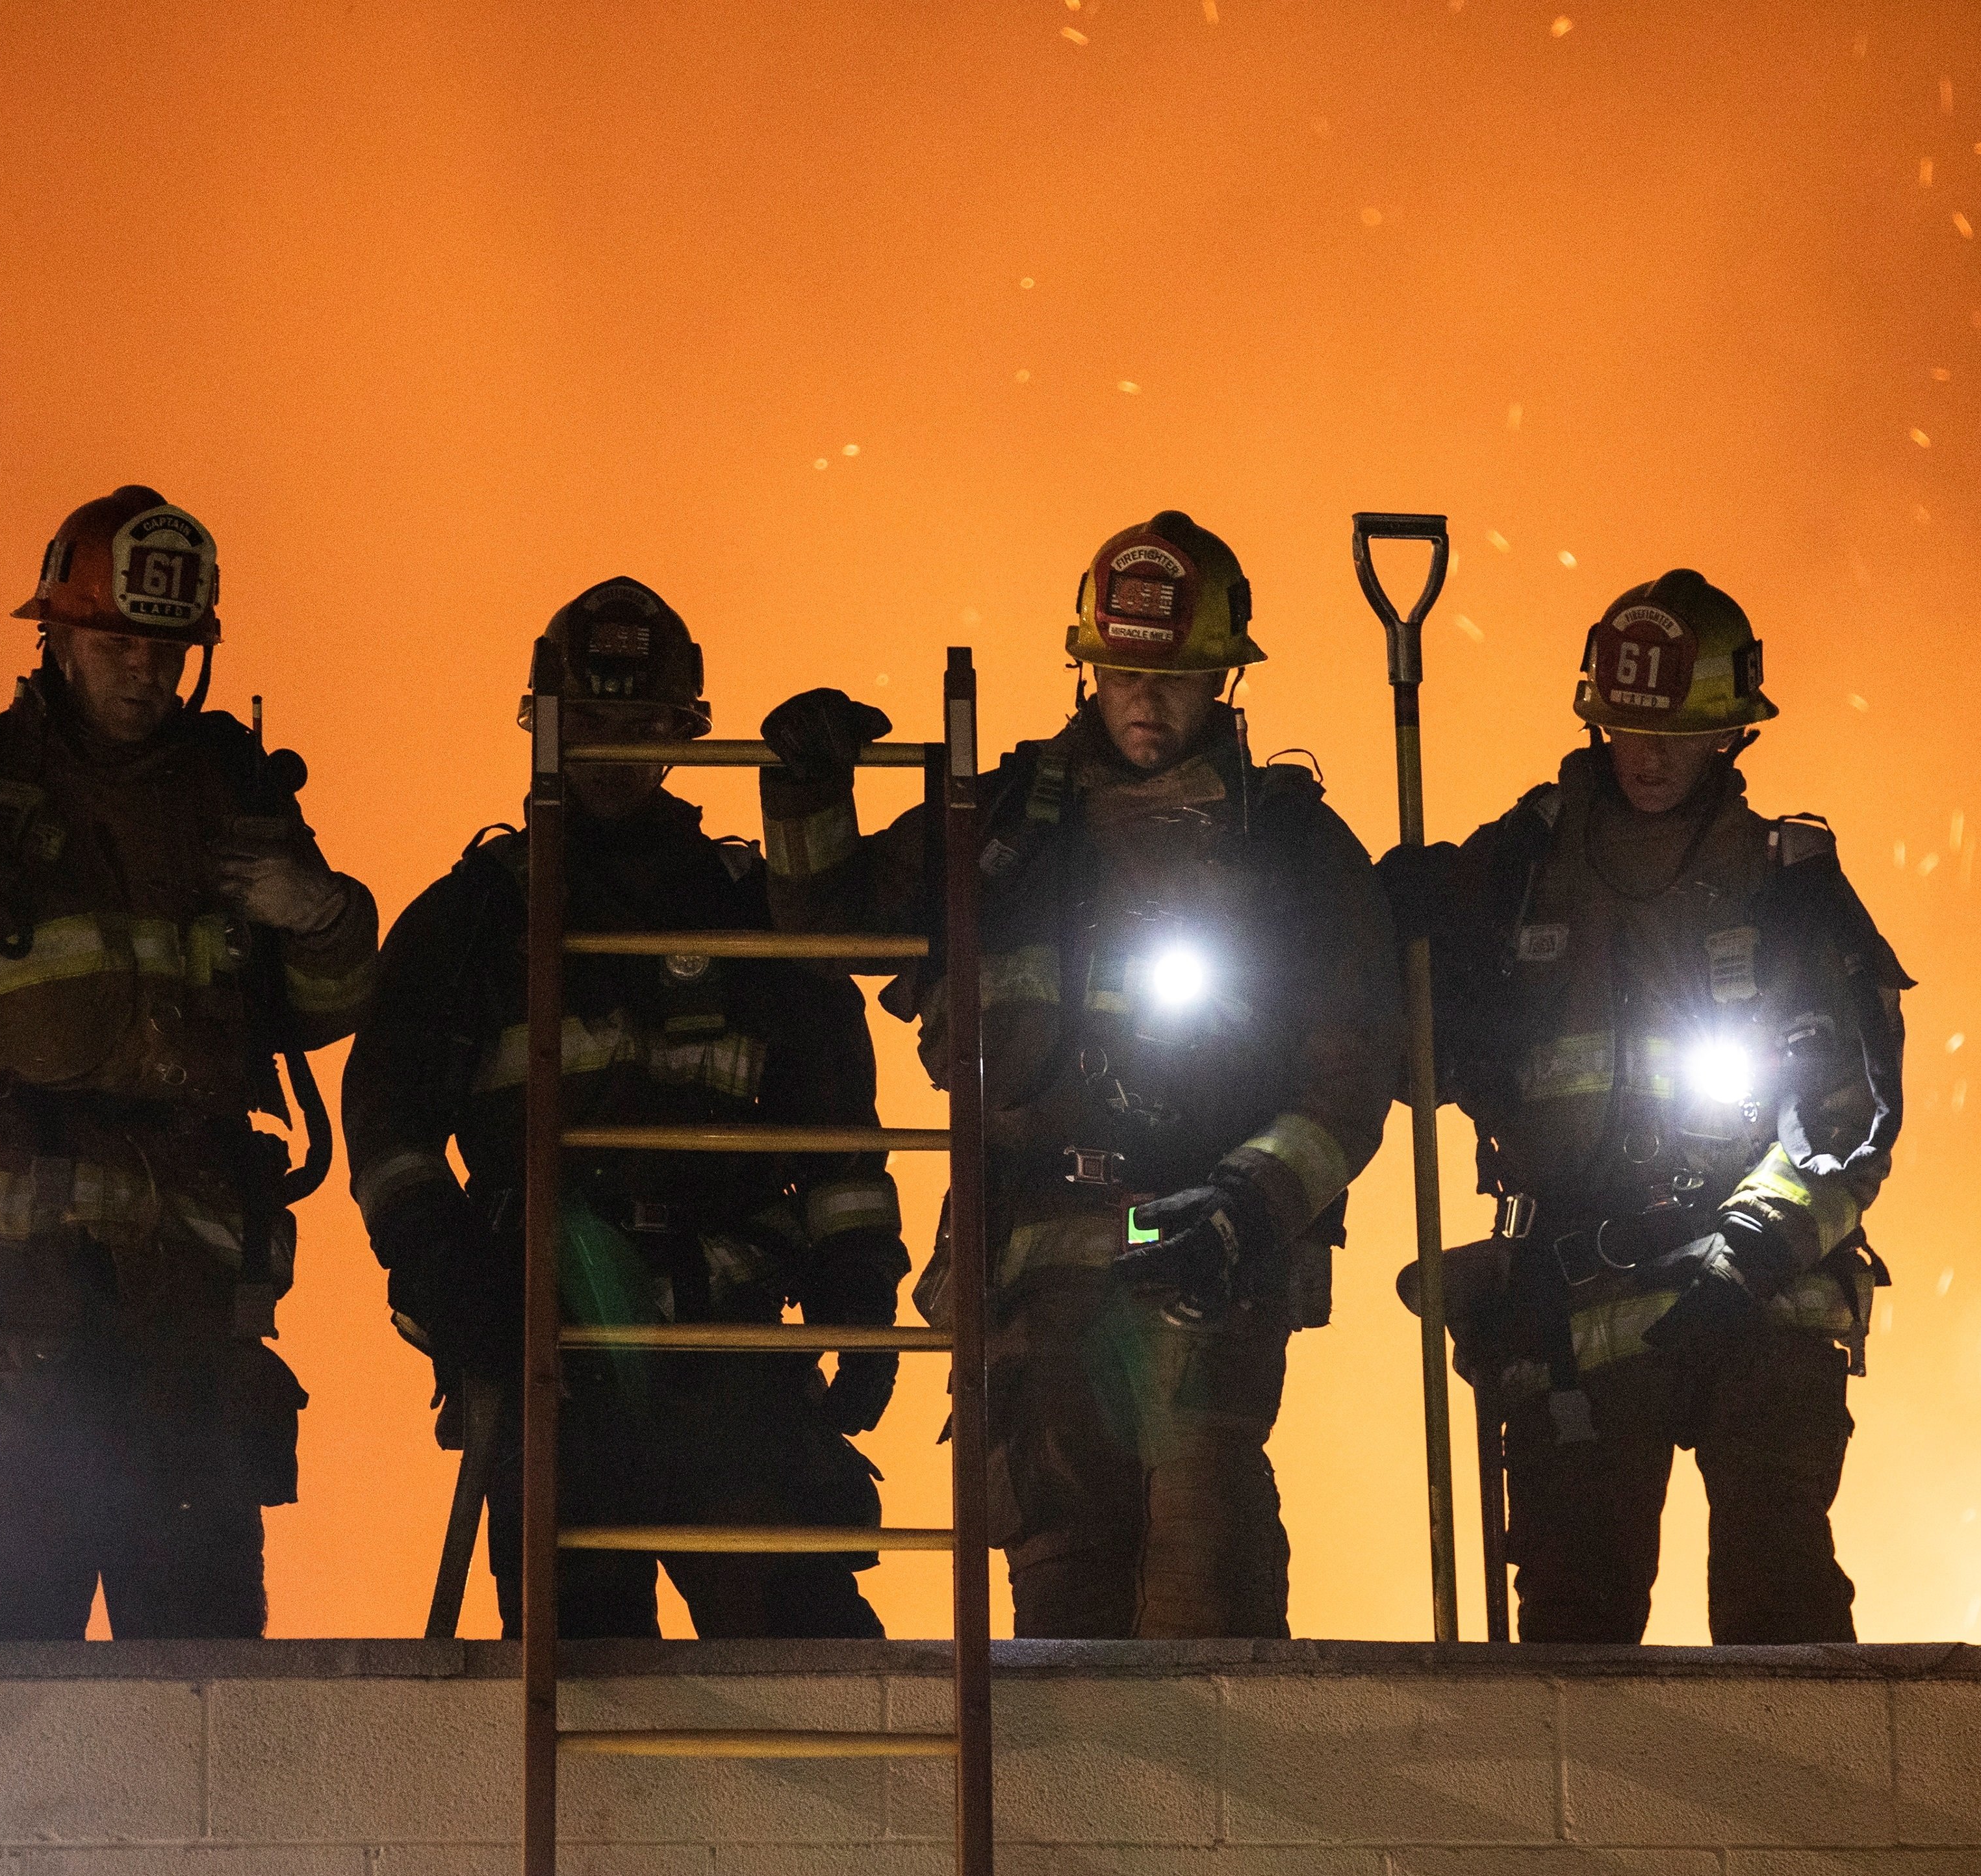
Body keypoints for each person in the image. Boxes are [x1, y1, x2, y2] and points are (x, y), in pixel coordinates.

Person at [754, 511, 1399, 1639]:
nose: (1145, 699)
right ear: (1086, 669)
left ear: (1222, 682)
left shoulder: (1292, 850)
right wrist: (803, 792)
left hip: (1208, 1257)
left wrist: (1251, 1202)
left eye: (1174, 675)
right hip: (1033, 1273)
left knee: (1213, 1577)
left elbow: (1350, 1078)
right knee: (1063, 1613)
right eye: (1120, 672)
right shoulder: (1000, 823)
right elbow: (829, 924)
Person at [0, 485, 376, 1641]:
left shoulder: (236, 791)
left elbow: (331, 1008)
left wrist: (319, 912)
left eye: (167, 648)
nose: (145, 672)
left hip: (188, 1301)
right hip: (4, 1290)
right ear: (53, 634)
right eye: (116, 643)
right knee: (2, 1639)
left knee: (202, 1654)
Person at [343, 578, 905, 1638]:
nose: (613, 750)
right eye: (590, 721)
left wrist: (861, 1301)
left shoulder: (755, 913)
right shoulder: (473, 919)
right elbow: (388, 1131)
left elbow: (840, 1138)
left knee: (807, 1657)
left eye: (642, 725)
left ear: (682, 736)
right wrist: (449, 1272)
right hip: (553, 1360)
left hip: (732, 1355)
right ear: (545, 724)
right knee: (585, 1685)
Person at [1397, 569, 1911, 1645]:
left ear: (1731, 732)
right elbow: (1420, 1055)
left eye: (1679, 729)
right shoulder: (1520, 868)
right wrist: (1395, 929)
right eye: (1629, 723)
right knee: (1575, 1639)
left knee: (1782, 1607)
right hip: (1579, 1300)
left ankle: (1802, 1813)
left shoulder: (1784, 886)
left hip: (1763, 1306)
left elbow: (1850, 1120)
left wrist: (1748, 1247)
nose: (1650, 752)